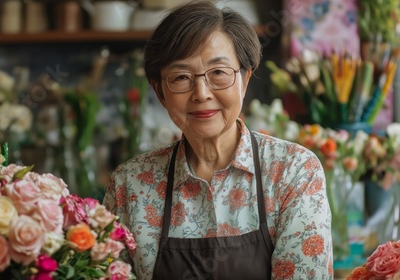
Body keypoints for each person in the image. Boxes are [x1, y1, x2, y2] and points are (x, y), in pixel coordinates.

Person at [102, 1, 333, 279]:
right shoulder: (130, 185)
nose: (201, 93)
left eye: (218, 73)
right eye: (181, 77)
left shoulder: (293, 172)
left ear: (244, 80)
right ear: (160, 91)